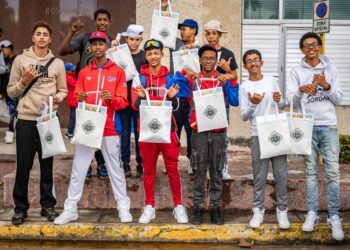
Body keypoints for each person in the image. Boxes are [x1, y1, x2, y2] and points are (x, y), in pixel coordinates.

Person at [54, 31, 132, 225]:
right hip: (87, 128)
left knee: (115, 169)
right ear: (90, 47)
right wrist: (78, 98)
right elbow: (74, 99)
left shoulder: (117, 71)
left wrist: (111, 99)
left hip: (109, 128)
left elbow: (124, 102)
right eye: (94, 44)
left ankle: (123, 207)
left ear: (106, 46)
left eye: (101, 44)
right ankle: (70, 209)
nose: (98, 47)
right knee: (78, 169)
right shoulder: (84, 72)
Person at [7, 21, 67, 225]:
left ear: (50, 39)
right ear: (33, 38)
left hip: (48, 120)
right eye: (38, 34)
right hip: (25, 120)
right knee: (23, 166)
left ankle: (48, 206)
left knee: (47, 165)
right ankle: (20, 208)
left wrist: (58, 98)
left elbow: (63, 90)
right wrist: (24, 81)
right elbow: (10, 91)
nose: (41, 37)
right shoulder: (20, 60)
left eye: (45, 34)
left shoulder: (57, 63)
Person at [287, 32, 344, 241]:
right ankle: (312, 213)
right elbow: (288, 99)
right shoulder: (296, 71)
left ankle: (334, 216)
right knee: (310, 171)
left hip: (328, 126)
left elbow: (338, 99)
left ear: (319, 46)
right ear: (302, 49)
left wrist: (326, 86)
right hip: (307, 126)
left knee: (333, 172)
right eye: (306, 45)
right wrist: (301, 90)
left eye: (314, 44)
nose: (310, 47)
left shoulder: (331, 69)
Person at [174, 45, 239, 225]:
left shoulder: (222, 80)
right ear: (200, 60)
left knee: (217, 171)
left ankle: (216, 208)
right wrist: (185, 70)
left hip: (218, 132)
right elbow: (173, 82)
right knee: (199, 171)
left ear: (216, 61)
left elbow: (234, 100)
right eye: (205, 58)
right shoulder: (193, 79)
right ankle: (198, 208)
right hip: (199, 132)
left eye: (212, 58)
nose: (208, 61)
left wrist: (231, 77)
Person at [134, 39, 188, 224]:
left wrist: (172, 98)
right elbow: (135, 106)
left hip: (168, 130)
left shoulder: (170, 78)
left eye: (156, 53)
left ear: (162, 54)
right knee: (148, 170)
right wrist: (140, 98)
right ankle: (149, 206)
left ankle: (178, 206)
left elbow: (176, 106)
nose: (153, 56)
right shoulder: (139, 78)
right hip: (146, 131)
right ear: (146, 56)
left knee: (172, 169)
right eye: (149, 54)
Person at [59, 8, 112, 180]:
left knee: (102, 131)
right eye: (100, 19)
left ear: (109, 23)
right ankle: (86, 165)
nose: (102, 22)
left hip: (103, 94)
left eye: (105, 20)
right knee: (84, 130)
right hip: (84, 93)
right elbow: (63, 51)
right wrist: (72, 31)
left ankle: (102, 164)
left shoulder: (113, 42)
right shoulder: (84, 38)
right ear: (95, 22)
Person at [240, 49, 290, 229]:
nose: (253, 63)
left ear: (262, 63)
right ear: (245, 66)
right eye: (249, 61)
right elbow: (244, 116)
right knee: (259, 176)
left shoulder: (271, 81)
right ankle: (258, 210)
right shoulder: (244, 87)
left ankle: (282, 210)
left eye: (256, 60)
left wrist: (280, 100)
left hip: (276, 131)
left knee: (281, 174)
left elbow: (282, 105)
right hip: (258, 133)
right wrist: (253, 104)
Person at [204, 19, 239, 180]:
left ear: (219, 35)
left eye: (214, 33)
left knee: (222, 137)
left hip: (222, 99)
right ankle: (204, 167)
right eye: (208, 33)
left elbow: (235, 77)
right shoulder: (202, 51)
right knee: (204, 136)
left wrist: (227, 71)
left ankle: (223, 167)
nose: (210, 37)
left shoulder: (228, 54)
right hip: (204, 98)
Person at [119, 24, 147, 178]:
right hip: (123, 98)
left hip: (139, 100)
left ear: (141, 40)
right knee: (124, 132)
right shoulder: (121, 54)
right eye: (131, 39)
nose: (134, 42)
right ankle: (124, 163)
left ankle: (141, 164)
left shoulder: (144, 56)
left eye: (137, 39)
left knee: (139, 133)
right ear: (126, 39)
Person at [0, 40, 17, 144]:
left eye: (3, 50)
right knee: (9, 113)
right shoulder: (2, 62)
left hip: (14, 91)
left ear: (10, 48)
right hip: (4, 91)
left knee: (12, 112)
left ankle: (10, 133)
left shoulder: (16, 60)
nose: (2, 52)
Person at [64, 62, 77, 140]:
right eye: (71, 70)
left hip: (75, 100)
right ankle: (69, 133)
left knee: (74, 116)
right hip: (73, 100)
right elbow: (76, 84)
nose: (73, 71)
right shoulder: (67, 77)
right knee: (73, 117)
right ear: (66, 71)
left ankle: (71, 132)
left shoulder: (72, 75)